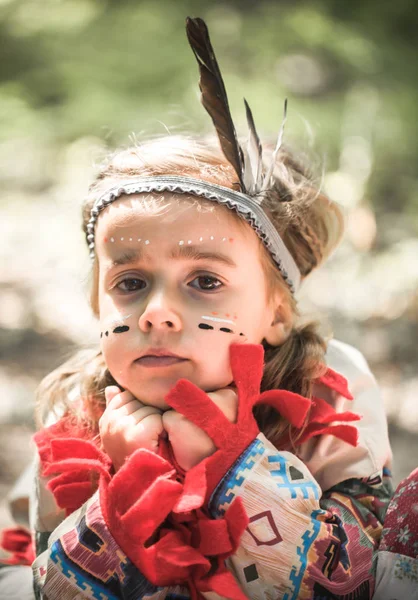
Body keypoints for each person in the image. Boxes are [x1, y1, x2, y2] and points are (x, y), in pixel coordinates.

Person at [1, 17, 397, 600]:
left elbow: (358, 583)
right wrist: (124, 489)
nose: (157, 313)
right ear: (95, 301)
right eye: (130, 282)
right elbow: (42, 585)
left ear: (276, 314)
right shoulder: (75, 412)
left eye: (205, 280)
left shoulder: (330, 389)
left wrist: (238, 464)